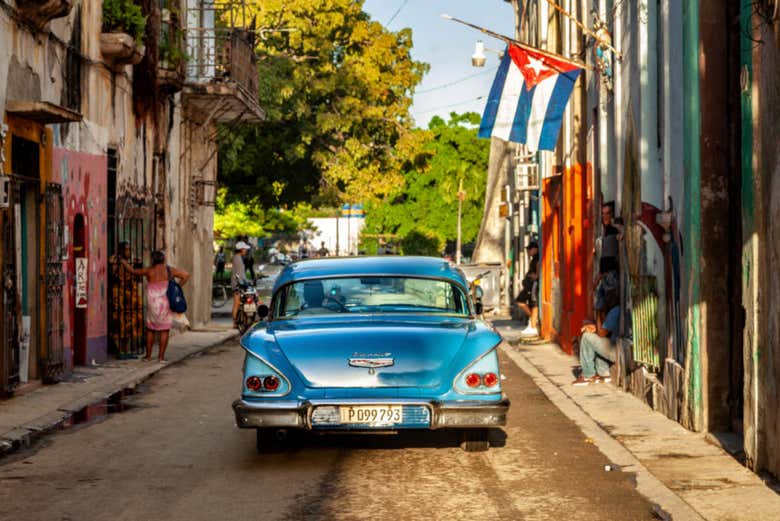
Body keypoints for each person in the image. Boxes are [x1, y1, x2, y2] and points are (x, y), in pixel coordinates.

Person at [120, 250, 189, 363]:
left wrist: (123, 262)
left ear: (153, 260)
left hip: (152, 303)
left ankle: (148, 357)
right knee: (164, 330)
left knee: (150, 329)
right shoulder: (169, 270)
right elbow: (186, 275)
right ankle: (161, 358)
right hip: (165, 302)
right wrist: (177, 287)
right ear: (163, 259)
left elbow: (133, 271)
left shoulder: (149, 270)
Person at [572, 289, 621, 386]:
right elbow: (605, 330)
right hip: (618, 349)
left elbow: (601, 333)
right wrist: (594, 327)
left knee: (586, 337)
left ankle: (588, 375)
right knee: (596, 339)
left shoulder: (615, 311)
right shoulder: (618, 310)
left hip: (616, 351)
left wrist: (598, 313)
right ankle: (604, 374)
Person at [109, 241, 143, 359]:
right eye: (127, 249)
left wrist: (138, 266)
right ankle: (120, 351)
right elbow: (113, 276)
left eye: (130, 249)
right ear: (122, 250)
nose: (129, 252)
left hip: (131, 297)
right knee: (119, 323)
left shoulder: (131, 261)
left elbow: (138, 278)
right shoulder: (115, 260)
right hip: (120, 296)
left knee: (131, 323)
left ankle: (127, 349)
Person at [515, 241, 540, 338]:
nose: (528, 252)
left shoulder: (537, 259)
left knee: (533, 304)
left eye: (530, 250)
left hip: (532, 285)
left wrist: (535, 276)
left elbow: (537, 273)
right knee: (527, 303)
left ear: (535, 249)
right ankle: (532, 322)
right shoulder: (534, 259)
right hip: (528, 285)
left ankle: (533, 324)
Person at [231, 241, 250, 322]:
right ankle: (235, 323)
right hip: (238, 284)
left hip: (239, 283)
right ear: (241, 249)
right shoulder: (237, 259)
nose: (246, 250)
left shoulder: (238, 258)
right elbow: (239, 274)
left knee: (239, 303)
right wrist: (244, 282)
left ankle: (238, 322)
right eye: (245, 249)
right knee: (237, 303)